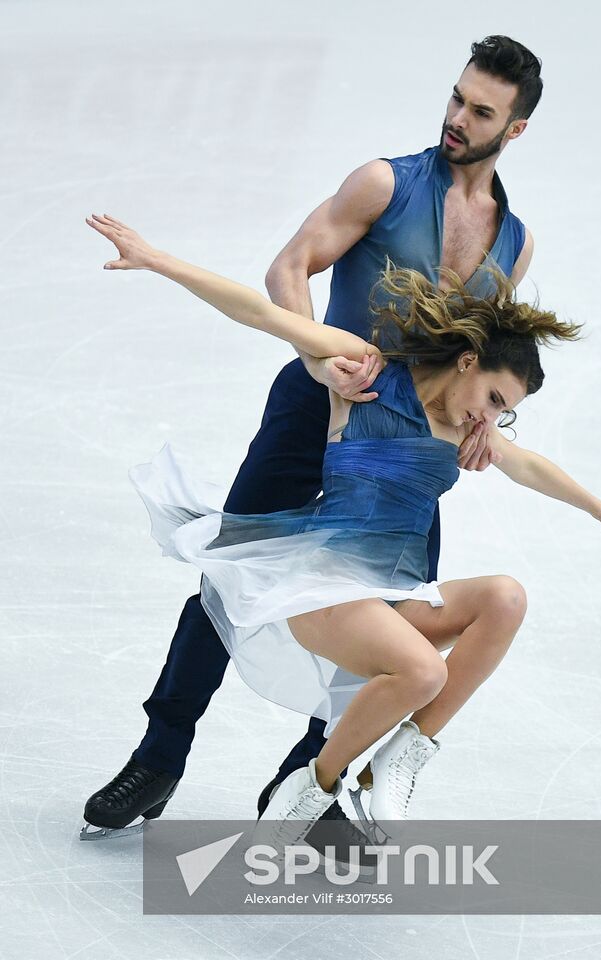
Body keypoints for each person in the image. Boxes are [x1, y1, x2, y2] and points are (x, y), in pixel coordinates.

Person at [82, 35, 544, 849]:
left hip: (404, 452)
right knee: (230, 580)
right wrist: (317, 356)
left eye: (479, 111)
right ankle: (159, 755)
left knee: (392, 623)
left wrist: (477, 424)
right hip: (314, 407)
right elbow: (287, 269)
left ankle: (307, 783)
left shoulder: (513, 242)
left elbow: (481, 354)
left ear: (514, 130)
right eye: (455, 97)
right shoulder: (383, 182)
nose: (455, 118)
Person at [84, 212, 601, 851]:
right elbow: (264, 313)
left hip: (384, 591)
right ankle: (310, 785)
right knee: (418, 671)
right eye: (492, 398)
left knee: (505, 598)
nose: (491, 419)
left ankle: (402, 754)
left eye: (504, 412)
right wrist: (157, 258)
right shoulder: (362, 374)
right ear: (467, 362)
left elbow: (531, 468)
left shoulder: (468, 433)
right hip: (323, 585)